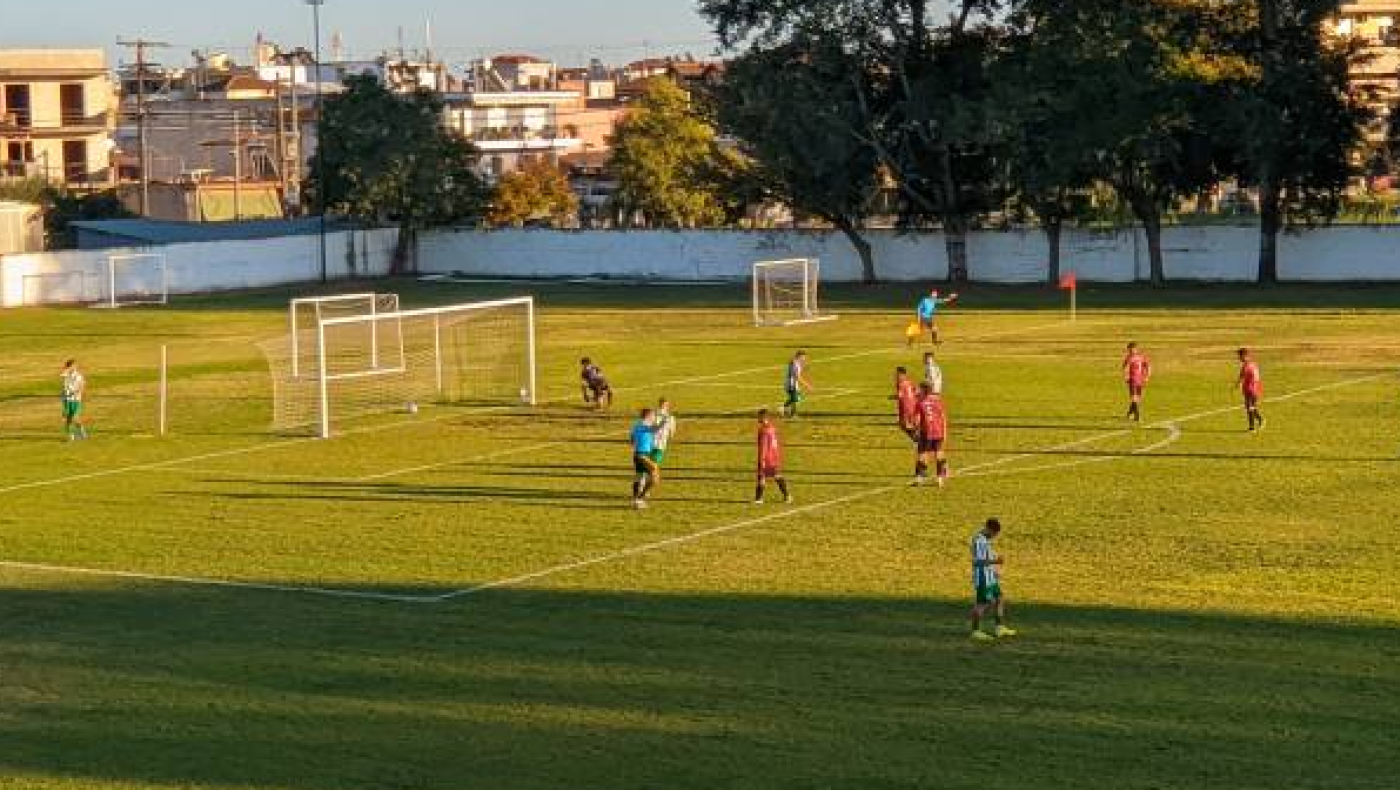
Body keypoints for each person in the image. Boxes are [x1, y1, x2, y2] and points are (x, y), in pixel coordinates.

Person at [970, 518, 1017, 641]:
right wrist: (996, 561)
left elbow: (986, 556)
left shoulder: (983, 538)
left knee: (999, 598)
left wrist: (994, 569)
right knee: (984, 603)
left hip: (990, 576)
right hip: (983, 577)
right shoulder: (980, 541)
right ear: (989, 529)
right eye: (994, 534)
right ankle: (975, 631)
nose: (994, 537)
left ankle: (999, 628)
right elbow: (977, 562)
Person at [911, 383, 949, 487]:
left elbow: (916, 420)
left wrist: (915, 431)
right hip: (938, 431)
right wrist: (945, 432)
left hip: (926, 432)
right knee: (939, 454)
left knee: (922, 455)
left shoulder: (920, 403)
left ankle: (919, 478)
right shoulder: (938, 401)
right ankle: (940, 479)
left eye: (920, 389)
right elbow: (943, 417)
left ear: (923, 390)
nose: (918, 390)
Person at [754, 408, 792, 504]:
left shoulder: (763, 430)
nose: (757, 419)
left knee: (761, 477)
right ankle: (787, 496)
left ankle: (759, 499)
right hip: (774, 456)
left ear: (763, 417)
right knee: (776, 476)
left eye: (759, 417)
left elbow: (763, 446)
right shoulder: (772, 428)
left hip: (767, 457)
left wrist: (761, 459)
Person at [630, 408, 659, 509]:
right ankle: (641, 498)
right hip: (643, 455)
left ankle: (635, 501)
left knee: (638, 477)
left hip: (637, 454)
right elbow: (656, 429)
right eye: (653, 415)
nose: (654, 417)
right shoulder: (645, 425)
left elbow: (631, 439)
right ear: (648, 416)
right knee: (655, 476)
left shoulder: (636, 425)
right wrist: (665, 420)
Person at [1122, 342, 1152, 422]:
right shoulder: (1128, 358)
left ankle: (1129, 413)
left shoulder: (1141, 357)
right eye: (1130, 349)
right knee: (1134, 398)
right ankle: (1137, 416)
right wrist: (1126, 377)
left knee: (1138, 398)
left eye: (1133, 349)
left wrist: (1147, 376)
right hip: (1133, 380)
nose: (1131, 351)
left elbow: (1148, 366)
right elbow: (1125, 368)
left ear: (1136, 349)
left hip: (1140, 380)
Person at [1237, 347, 1265, 431]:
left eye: (1240, 356)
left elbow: (1243, 376)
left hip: (1252, 389)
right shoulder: (1251, 364)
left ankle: (1252, 427)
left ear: (1245, 356)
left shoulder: (1248, 366)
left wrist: (1238, 384)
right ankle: (1260, 420)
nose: (1239, 358)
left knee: (1250, 407)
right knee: (1250, 407)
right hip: (1250, 389)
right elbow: (1242, 376)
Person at [60, 358, 88, 441]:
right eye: (72, 365)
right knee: (68, 418)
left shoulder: (78, 376)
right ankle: (71, 436)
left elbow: (82, 385)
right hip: (66, 400)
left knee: (75, 418)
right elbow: (60, 374)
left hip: (75, 400)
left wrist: (78, 392)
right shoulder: (65, 373)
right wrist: (66, 368)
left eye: (75, 366)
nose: (74, 367)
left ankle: (82, 432)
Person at [782, 350, 812, 418]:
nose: (805, 359)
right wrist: (807, 385)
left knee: (795, 398)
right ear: (800, 356)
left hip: (793, 383)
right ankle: (792, 413)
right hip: (791, 384)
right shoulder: (795, 364)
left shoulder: (796, 363)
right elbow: (797, 377)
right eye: (804, 357)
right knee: (796, 398)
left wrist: (804, 366)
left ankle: (785, 409)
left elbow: (795, 365)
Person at [894, 366, 918, 440]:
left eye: (897, 373)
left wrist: (892, 397)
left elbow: (899, 395)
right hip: (913, 405)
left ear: (902, 374)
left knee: (902, 424)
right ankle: (916, 435)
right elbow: (917, 390)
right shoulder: (909, 381)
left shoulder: (900, 383)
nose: (895, 375)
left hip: (905, 406)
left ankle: (915, 436)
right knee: (913, 423)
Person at [652, 397, 677, 467]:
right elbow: (672, 433)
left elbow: (672, 432)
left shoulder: (670, 418)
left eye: (665, 405)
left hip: (658, 443)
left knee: (653, 463)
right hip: (655, 442)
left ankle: (651, 476)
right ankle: (652, 476)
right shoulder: (670, 417)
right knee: (654, 463)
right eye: (663, 405)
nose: (664, 407)